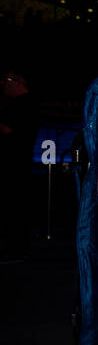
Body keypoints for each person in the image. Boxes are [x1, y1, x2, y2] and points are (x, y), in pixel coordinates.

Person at [0, 68, 38, 262]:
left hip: (16, 164)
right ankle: (16, 248)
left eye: (6, 80)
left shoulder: (24, 104)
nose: (3, 84)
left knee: (15, 206)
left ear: (18, 82)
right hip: (15, 163)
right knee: (13, 206)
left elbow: (9, 130)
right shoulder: (17, 104)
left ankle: (17, 250)